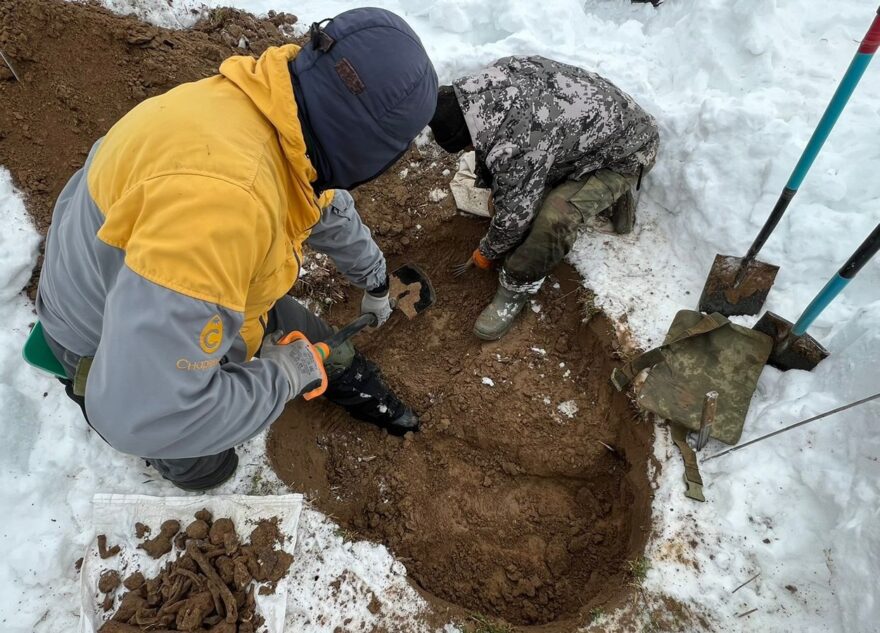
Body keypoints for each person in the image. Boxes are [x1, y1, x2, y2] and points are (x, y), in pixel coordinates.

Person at [35, 8, 438, 491]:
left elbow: (324, 205)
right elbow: (142, 413)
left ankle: (364, 393)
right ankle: (190, 459)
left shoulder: (278, 114)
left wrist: (374, 281)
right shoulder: (224, 207)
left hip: (150, 280)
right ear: (370, 151)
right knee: (209, 466)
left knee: (324, 345)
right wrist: (283, 377)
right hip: (101, 340)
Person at [429, 56, 659, 340]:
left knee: (553, 218)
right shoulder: (483, 86)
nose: (471, 150)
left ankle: (516, 287)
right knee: (506, 195)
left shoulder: (517, 142)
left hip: (629, 153)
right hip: (595, 133)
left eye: (467, 146)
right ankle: (588, 184)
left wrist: (486, 252)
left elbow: (513, 219)